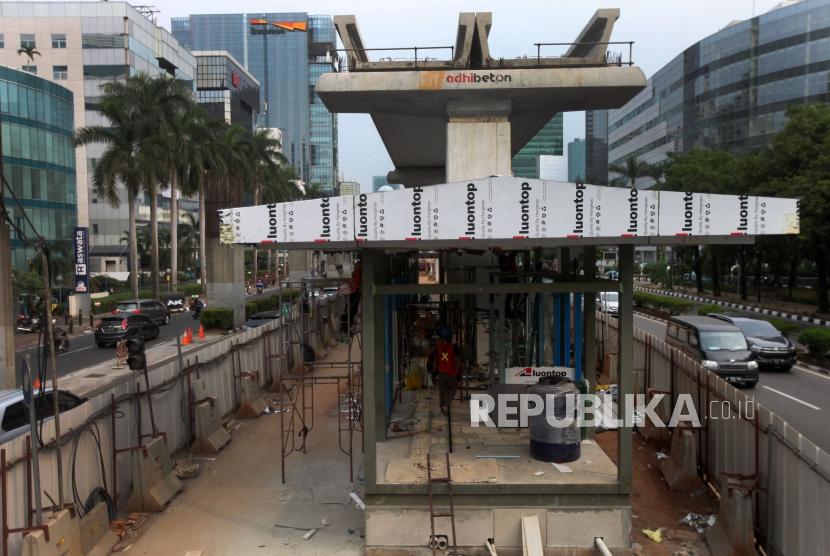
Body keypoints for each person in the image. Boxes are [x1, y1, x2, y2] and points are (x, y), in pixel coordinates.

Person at [429, 326, 460, 416]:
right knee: (452, 389)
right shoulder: (454, 347)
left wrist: (434, 373)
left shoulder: (438, 347)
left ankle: (442, 407)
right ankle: (446, 406)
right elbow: (456, 360)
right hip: (451, 373)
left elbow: (435, 360)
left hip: (441, 373)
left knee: (442, 391)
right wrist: (458, 373)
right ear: (450, 337)